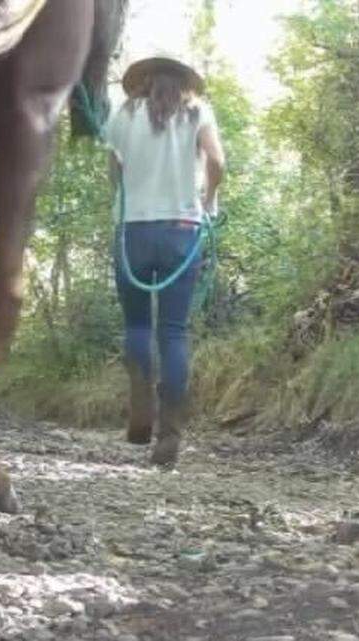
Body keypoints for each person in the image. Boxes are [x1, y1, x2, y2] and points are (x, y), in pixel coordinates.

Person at [104, 54, 226, 467]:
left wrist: (128, 194)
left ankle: (141, 413)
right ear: (184, 84)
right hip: (182, 230)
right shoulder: (198, 112)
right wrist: (207, 200)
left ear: (145, 82)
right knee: (172, 332)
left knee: (137, 324)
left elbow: (113, 168)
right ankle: (169, 437)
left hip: (133, 230)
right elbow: (217, 162)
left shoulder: (125, 113)